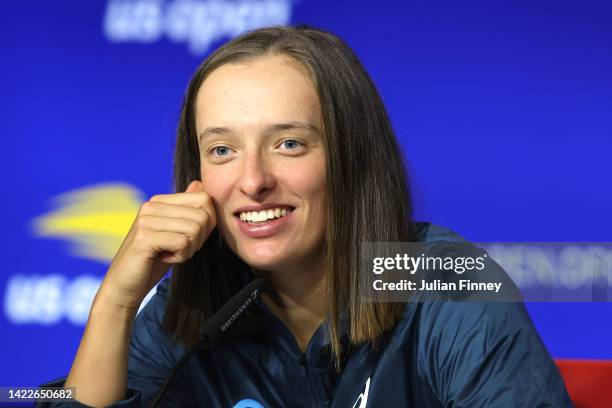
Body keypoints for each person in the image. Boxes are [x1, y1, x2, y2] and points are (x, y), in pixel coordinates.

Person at [41, 25, 573, 407]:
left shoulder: (444, 284)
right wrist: (116, 300)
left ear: (351, 158)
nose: (252, 181)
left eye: (289, 143)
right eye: (222, 150)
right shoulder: (191, 307)